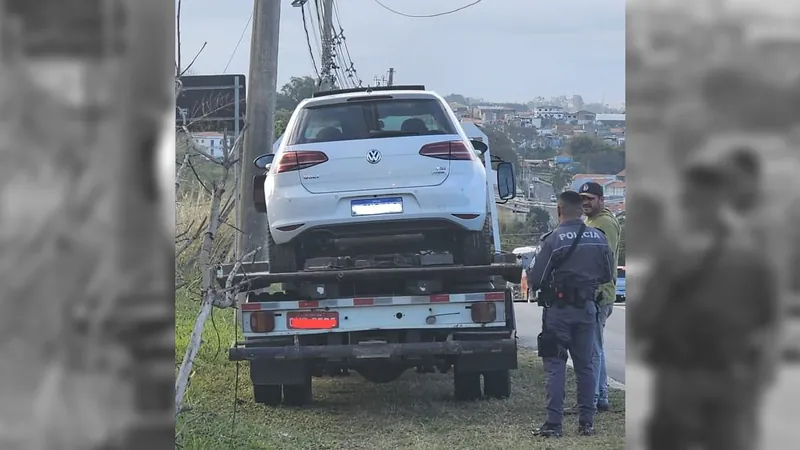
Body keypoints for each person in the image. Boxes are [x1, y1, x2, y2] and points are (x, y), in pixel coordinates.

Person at [631, 158, 780, 450]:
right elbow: (770, 316)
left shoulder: (673, 251)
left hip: (681, 375)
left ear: (689, 198)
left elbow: (645, 317)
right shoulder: (752, 249)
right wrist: (762, 370)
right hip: (732, 373)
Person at [527, 191, 614, 438]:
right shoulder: (599, 238)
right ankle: (587, 423)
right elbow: (607, 275)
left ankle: (554, 425)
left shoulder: (553, 239)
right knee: (586, 366)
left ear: (559, 210)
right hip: (587, 310)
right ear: (580, 210)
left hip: (559, 312)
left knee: (555, 366)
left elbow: (536, 279)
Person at [578, 181, 621, 412]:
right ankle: (601, 396)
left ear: (601, 200)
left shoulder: (604, 223)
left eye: (590, 199)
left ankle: (593, 398)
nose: (585, 202)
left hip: (599, 294)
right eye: (582, 198)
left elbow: (603, 260)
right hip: (597, 293)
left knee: (591, 349)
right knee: (596, 347)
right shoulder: (592, 221)